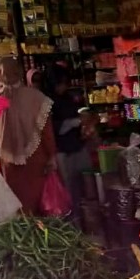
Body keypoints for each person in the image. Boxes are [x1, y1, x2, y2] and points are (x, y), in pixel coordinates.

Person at [0, 57, 56, 214]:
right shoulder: (36, 98)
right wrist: (52, 156)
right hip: (37, 160)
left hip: (9, 162)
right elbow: (47, 132)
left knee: (17, 207)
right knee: (40, 205)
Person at [45, 65, 90, 220]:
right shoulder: (46, 101)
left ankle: (83, 216)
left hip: (77, 145)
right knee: (68, 187)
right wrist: (73, 123)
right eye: (61, 83)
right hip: (62, 150)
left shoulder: (67, 98)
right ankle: (72, 218)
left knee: (82, 185)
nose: (64, 86)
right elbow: (51, 128)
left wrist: (84, 127)